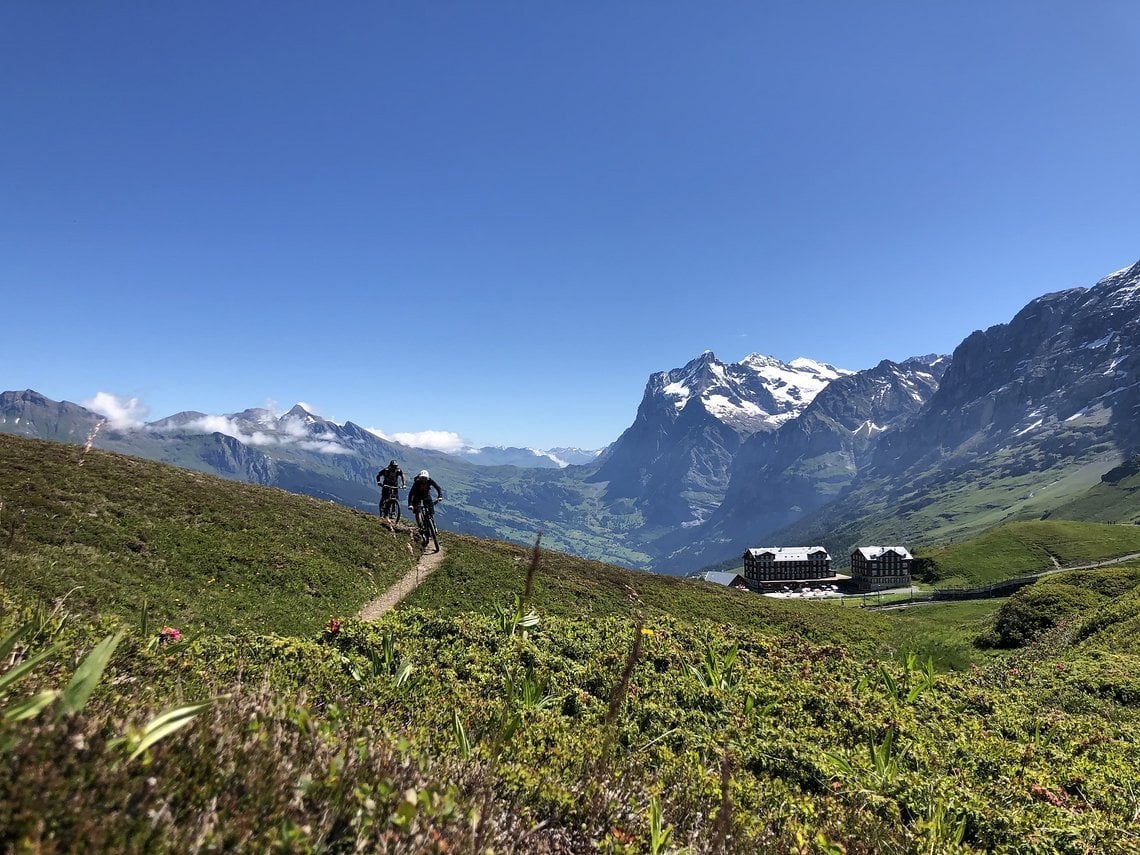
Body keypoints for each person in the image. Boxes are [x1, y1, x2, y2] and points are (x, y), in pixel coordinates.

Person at [407, 469, 443, 546]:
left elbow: (438, 488)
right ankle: (420, 526)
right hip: (417, 497)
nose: (424, 480)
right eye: (422, 478)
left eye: (425, 479)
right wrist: (410, 504)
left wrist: (440, 496)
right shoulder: (417, 482)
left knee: (431, 511)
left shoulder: (430, 480)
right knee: (417, 511)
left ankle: (433, 525)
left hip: (426, 496)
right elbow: (411, 494)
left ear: (427, 478)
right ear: (420, 478)